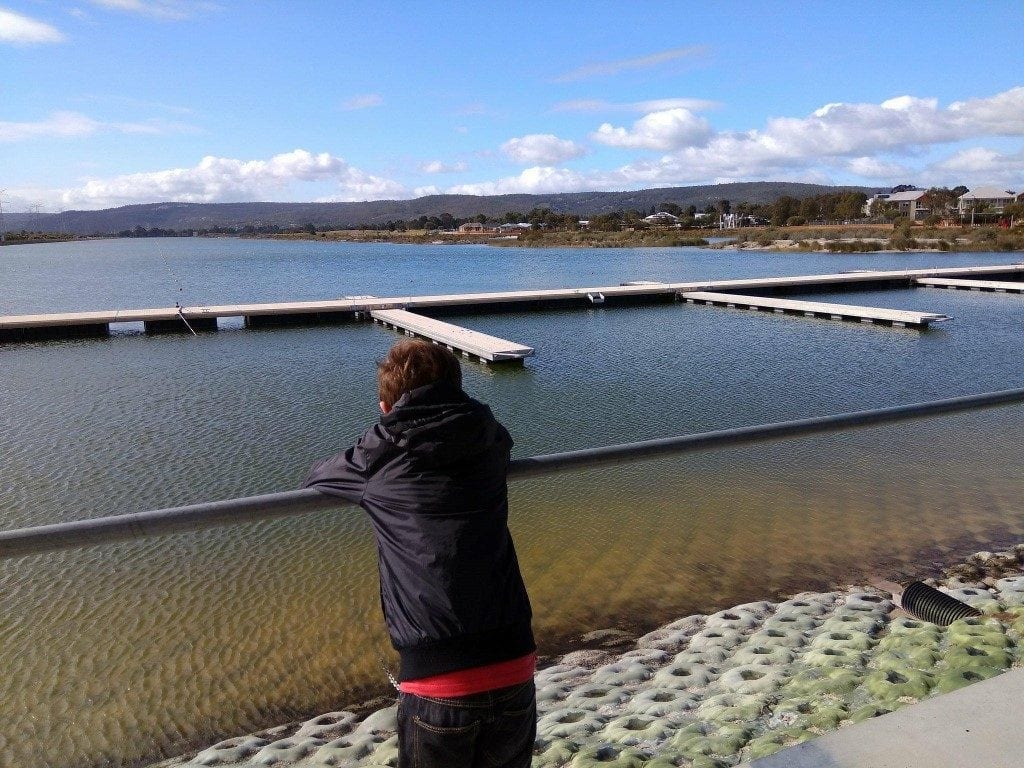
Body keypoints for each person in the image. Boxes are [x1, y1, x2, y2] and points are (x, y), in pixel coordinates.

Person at [304, 339, 536, 767]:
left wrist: (381, 431)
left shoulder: (377, 455)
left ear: (385, 405)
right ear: (458, 386)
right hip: (514, 658)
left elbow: (317, 474)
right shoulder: (489, 438)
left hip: (438, 680)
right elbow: (495, 443)